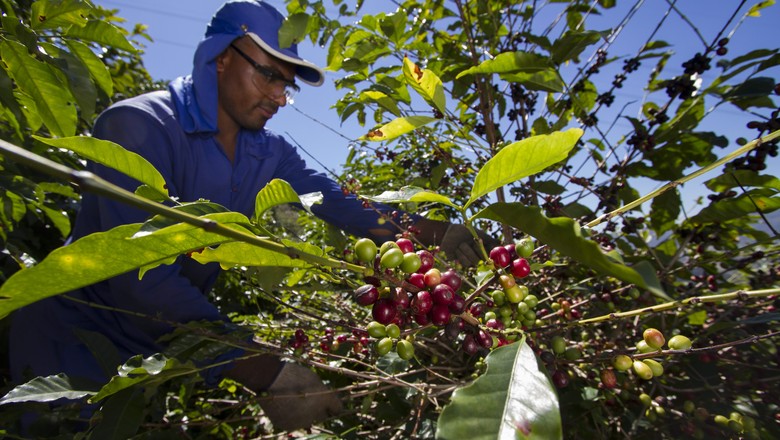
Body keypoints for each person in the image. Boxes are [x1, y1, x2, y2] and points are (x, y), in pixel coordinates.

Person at [8, 0, 493, 432]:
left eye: (288, 84)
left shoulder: (267, 152)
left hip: (153, 353)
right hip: (69, 342)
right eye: (269, 75)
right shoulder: (137, 126)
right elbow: (141, 279)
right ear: (221, 58)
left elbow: (341, 203)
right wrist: (267, 372)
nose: (281, 97)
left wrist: (438, 233)